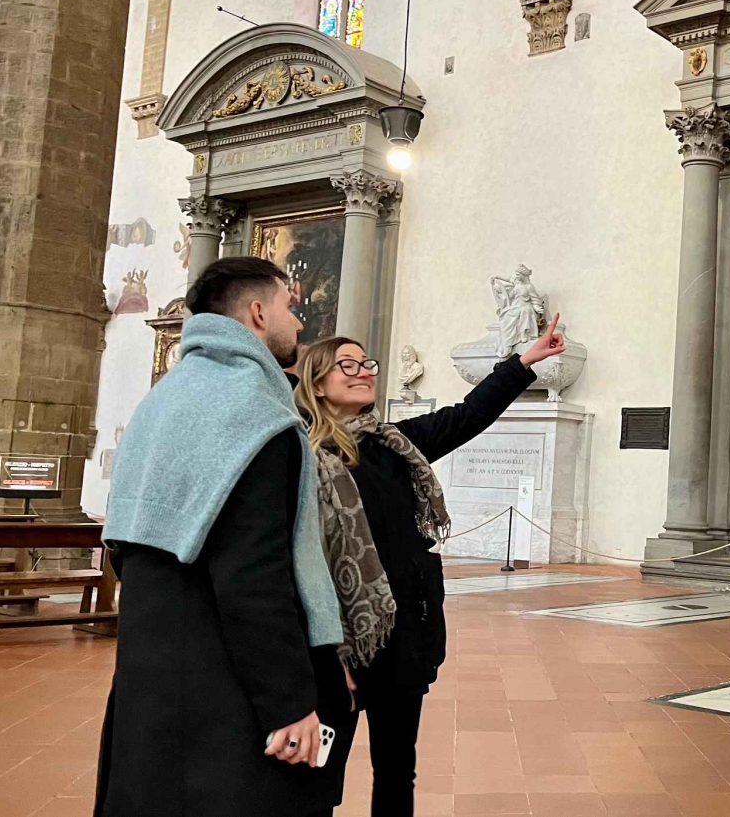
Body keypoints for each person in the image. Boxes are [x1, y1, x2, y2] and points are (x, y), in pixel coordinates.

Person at [94, 257, 350, 817]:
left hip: (149, 673)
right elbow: (253, 574)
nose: (298, 323)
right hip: (224, 696)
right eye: (290, 307)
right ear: (258, 313)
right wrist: (288, 702)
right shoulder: (254, 415)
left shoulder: (159, 403)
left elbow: (125, 544)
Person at [294, 316, 566, 816]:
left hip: (400, 637)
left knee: (397, 769)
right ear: (316, 382)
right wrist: (327, 654)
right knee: (318, 777)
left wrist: (524, 361)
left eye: (366, 363)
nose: (364, 371)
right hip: (335, 647)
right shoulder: (300, 457)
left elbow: (467, 416)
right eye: (346, 365)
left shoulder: (395, 445)